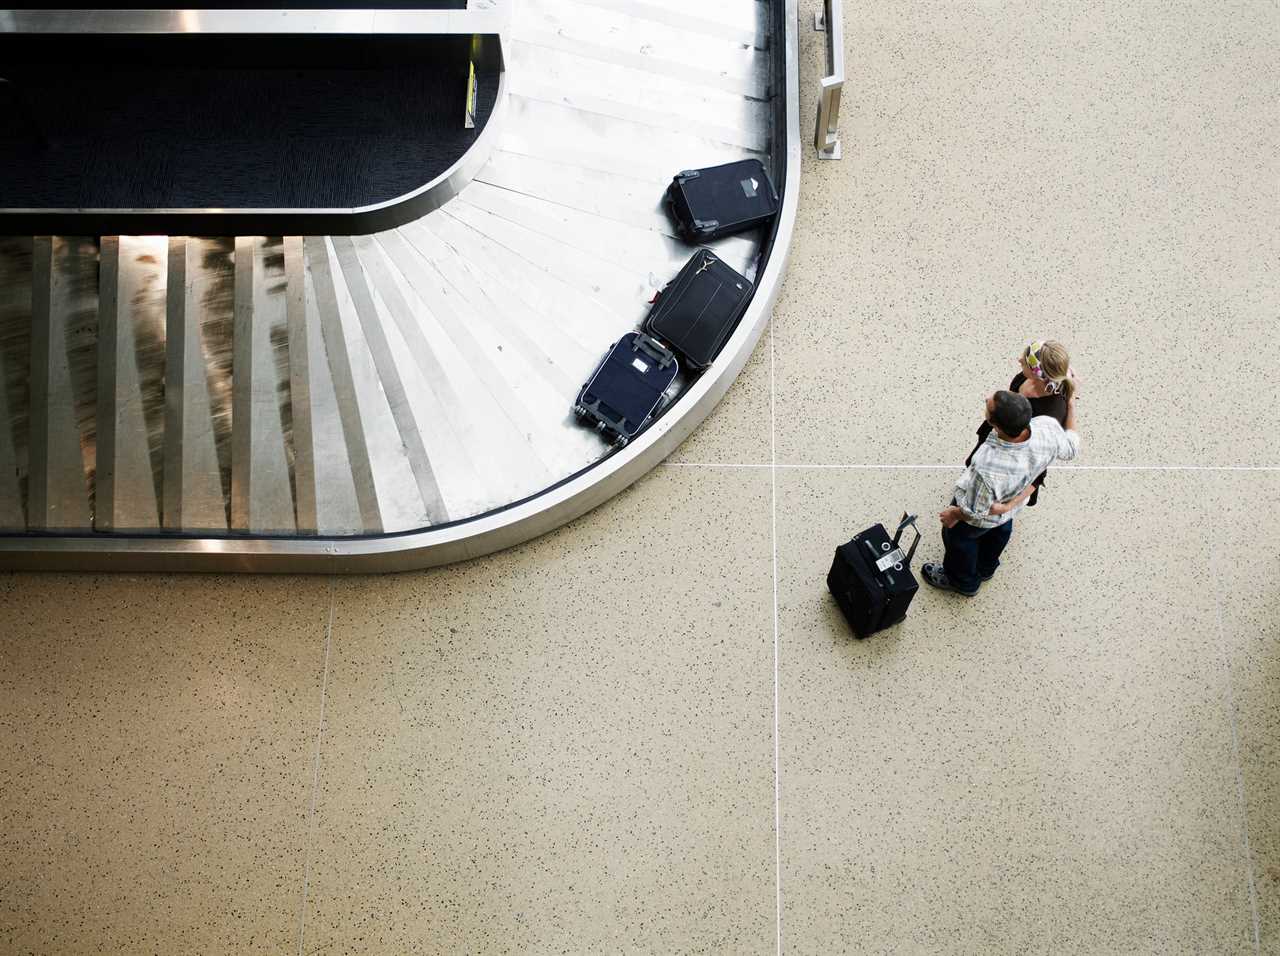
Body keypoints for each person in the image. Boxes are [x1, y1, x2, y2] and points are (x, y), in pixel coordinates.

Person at [922, 389, 1081, 596]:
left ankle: (963, 582)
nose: (986, 397)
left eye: (988, 405)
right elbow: (1071, 448)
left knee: (960, 540)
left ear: (996, 425)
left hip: (983, 517)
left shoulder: (987, 466)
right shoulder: (1047, 428)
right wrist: (1070, 405)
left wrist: (954, 514)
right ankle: (986, 568)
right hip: (1009, 510)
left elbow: (975, 511)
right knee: (1000, 532)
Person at [965, 340, 1077, 507]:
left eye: (1024, 361)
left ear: (1037, 372)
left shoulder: (1050, 414)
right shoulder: (1026, 376)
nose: (1019, 360)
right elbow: (1006, 403)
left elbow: (1039, 465)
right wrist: (1017, 395)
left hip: (1009, 459)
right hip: (999, 433)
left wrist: (1007, 507)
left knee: (987, 492)